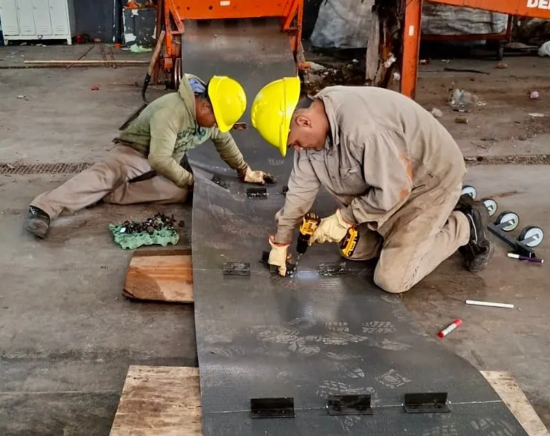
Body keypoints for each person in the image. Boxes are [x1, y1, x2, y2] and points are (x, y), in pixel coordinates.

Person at [250, 76, 492, 293]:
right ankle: (400, 238)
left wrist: (344, 219)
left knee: (391, 279)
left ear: (303, 121)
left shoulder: (363, 130)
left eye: (294, 143)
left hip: (428, 183)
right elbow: (300, 189)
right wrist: (281, 241)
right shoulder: (317, 125)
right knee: (355, 250)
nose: (298, 149)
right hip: (392, 180)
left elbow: (395, 188)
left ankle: (464, 224)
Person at [25, 74, 274, 238]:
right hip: (136, 153)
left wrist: (244, 170)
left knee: (178, 193)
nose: (217, 126)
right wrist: (191, 180)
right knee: (108, 175)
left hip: (165, 160)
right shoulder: (173, 110)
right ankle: (44, 208)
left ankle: (108, 194)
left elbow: (224, 141)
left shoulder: (211, 118)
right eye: (217, 120)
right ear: (205, 105)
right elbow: (159, 159)